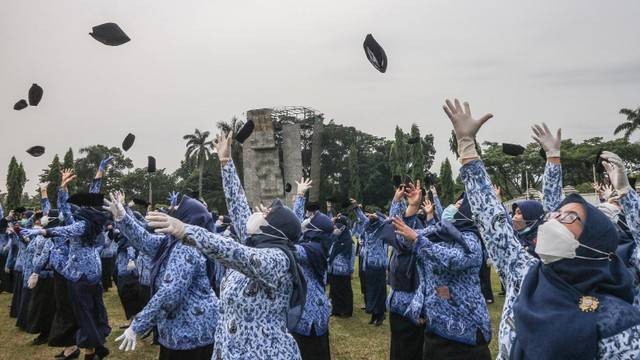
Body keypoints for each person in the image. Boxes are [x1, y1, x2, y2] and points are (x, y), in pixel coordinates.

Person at [445, 98, 640, 359]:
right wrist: (467, 147)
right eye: (555, 215)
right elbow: (490, 217)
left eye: (569, 218)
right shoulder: (525, 275)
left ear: (593, 245)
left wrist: (626, 193)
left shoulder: (619, 323)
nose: (553, 220)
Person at [144, 131, 304, 359]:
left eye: (267, 213)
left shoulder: (278, 259)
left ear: (275, 229)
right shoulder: (254, 244)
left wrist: (186, 230)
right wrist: (226, 163)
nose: (258, 213)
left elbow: (237, 255)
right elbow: (239, 208)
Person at [106, 192, 218, 360]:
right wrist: (123, 217)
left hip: (190, 334)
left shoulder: (186, 248)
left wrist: (138, 325)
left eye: (179, 210)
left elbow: (169, 293)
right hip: (186, 330)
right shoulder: (173, 241)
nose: (173, 212)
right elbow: (145, 240)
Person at [291, 179, 333, 360]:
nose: (306, 222)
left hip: (309, 316)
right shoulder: (318, 244)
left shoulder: (310, 251)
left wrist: (300, 197)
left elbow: (289, 240)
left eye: (309, 221)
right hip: (317, 310)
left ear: (314, 229)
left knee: (310, 353)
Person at [327, 214, 355, 318]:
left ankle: (346, 311)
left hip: (344, 271)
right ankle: (336, 309)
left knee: (345, 291)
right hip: (333, 269)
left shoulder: (349, 242)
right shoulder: (335, 239)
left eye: (339, 226)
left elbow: (351, 258)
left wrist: (351, 270)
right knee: (334, 290)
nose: (337, 228)